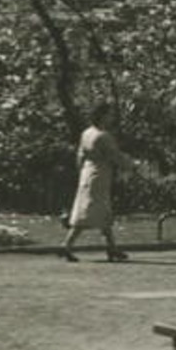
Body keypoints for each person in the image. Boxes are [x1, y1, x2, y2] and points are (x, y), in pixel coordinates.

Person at [60, 104, 130, 263]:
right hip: (100, 174)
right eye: (109, 115)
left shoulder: (86, 133)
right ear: (102, 116)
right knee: (94, 211)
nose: (111, 118)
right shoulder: (103, 136)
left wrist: (82, 172)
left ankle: (111, 247)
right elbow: (115, 156)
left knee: (94, 211)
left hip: (87, 173)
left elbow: (80, 155)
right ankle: (67, 245)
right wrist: (130, 165)